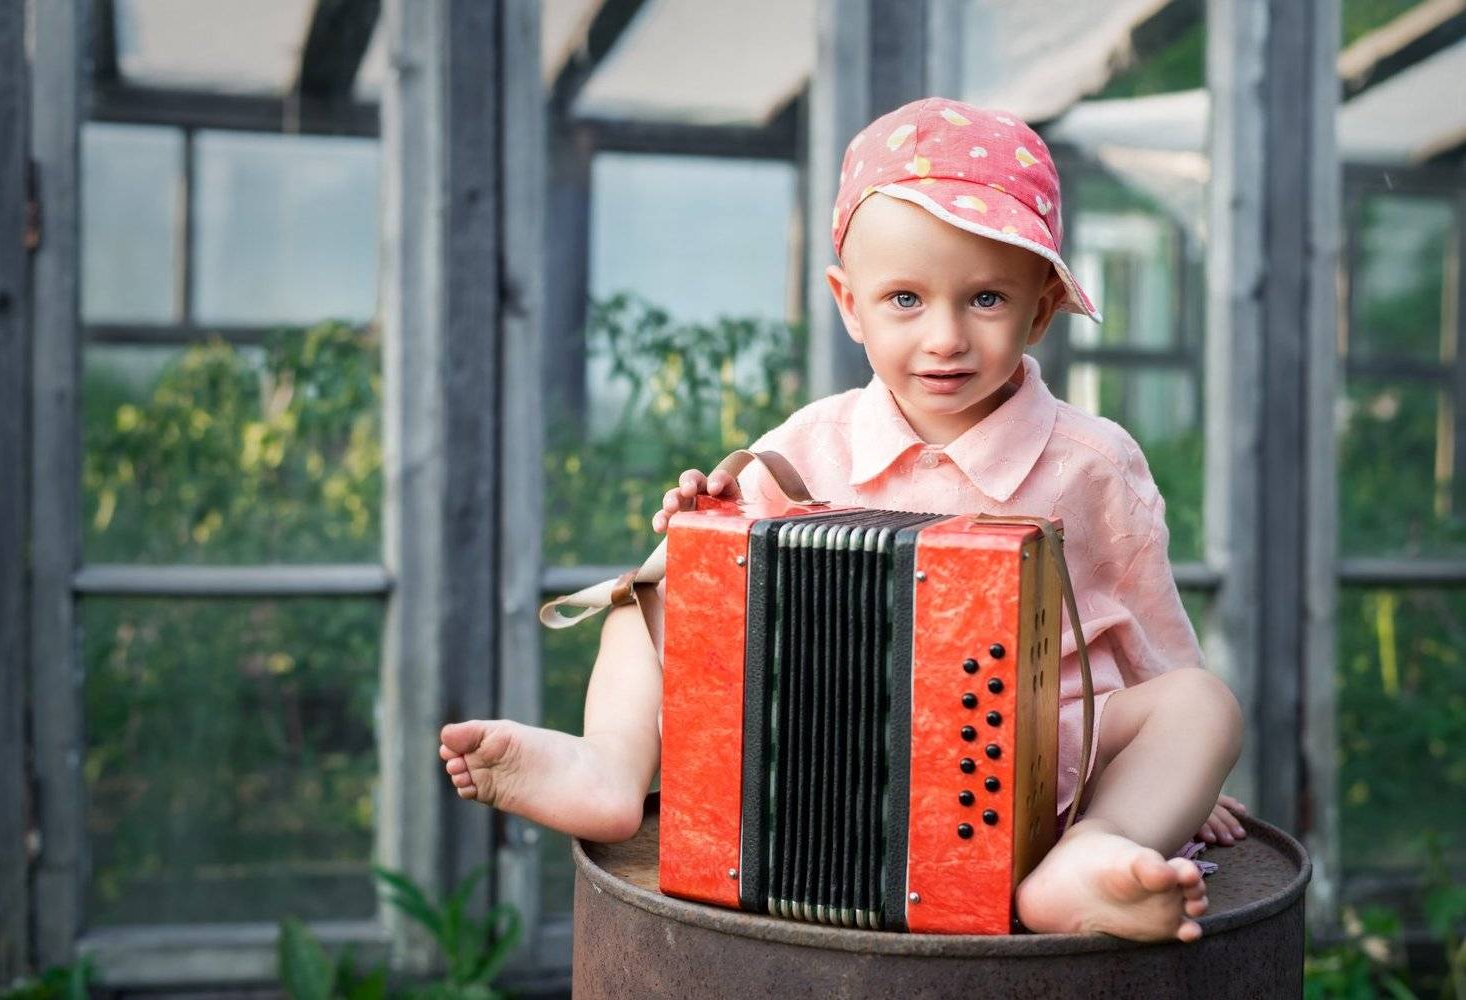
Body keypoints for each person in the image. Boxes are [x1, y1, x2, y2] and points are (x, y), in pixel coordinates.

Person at [440, 97, 1246, 943]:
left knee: (1202, 702)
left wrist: (1177, 778)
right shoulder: (807, 442)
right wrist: (699, 531)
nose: (944, 337)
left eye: (985, 299)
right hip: (835, 747)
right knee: (638, 600)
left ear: (1040, 310)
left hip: (1044, 754)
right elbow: (720, 597)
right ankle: (610, 765)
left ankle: (1091, 851)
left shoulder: (1092, 462)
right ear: (849, 303)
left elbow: (1151, 631)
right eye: (905, 299)